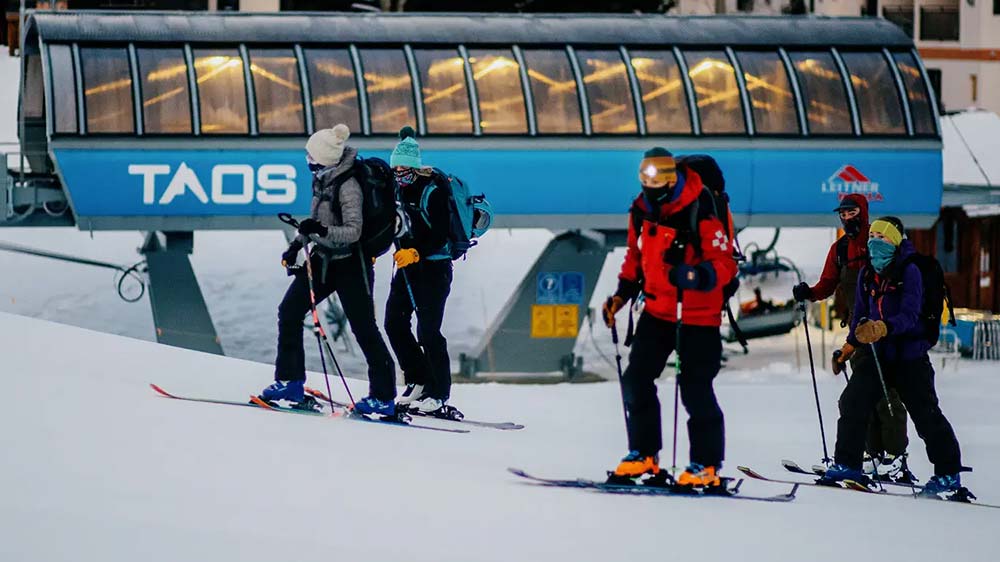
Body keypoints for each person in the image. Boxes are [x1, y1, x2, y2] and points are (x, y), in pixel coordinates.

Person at [602, 147, 738, 488]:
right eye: (647, 177)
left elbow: (725, 263)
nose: (653, 184)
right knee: (636, 379)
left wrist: (694, 276)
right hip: (658, 310)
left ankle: (706, 464)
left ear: (672, 177)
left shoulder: (700, 207)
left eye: (660, 176)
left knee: (694, 388)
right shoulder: (641, 209)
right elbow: (636, 256)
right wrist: (621, 296)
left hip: (698, 315)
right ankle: (644, 454)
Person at [820, 217, 966, 497]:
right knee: (852, 401)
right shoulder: (866, 274)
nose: (875, 241)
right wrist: (847, 349)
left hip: (910, 356)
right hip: (878, 355)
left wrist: (884, 327)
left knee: (926, 415)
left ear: (896, 241)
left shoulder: (911, 271)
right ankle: (848, 465)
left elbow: (911, 316)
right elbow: (860, 321)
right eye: (872, 235)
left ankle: (948, 473)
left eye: (882, 237)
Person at [259, 124, 397, 416]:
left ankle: (383, 396)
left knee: (363, 328)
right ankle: (289, 380)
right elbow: (314, 219)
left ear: (322, 158)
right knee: (289, 311)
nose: (307, 159)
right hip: (323, 259)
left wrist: (322, 229)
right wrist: (298, 243)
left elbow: (354, 231)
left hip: (350, 263)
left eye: (310, 155)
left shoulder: (348, 185)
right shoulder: (321, 178)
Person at [791, 195, 913, 482]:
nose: (847, 218)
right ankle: (871, 453)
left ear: (864, 212)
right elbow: (827, 285)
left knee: (887, 396)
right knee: (861, 397)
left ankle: (896, 457)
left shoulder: (880, 239)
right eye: (843, 213)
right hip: (858, 333)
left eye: (852, 212)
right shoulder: (839, 249)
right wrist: (808, 293)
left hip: (887, 330)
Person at [383, 127, 455, 415]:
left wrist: (417, 252)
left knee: (428, 332)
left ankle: (439, 392)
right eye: (396, 166)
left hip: (434, 268)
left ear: (415, 167)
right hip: (406, 268)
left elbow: (441, 233)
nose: (399, 171)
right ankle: (417, 379)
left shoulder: (432, 191)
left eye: (404, 167)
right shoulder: (396, 189)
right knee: (394, 323)